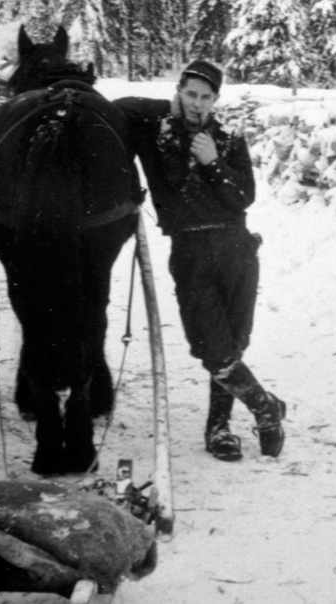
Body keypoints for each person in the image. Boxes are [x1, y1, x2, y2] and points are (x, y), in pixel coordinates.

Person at [113, 60, 285, 460]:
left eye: (206, 97)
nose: (197, 104)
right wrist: (166, 110)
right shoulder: (153, 129)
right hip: (191, 252)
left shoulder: (227, 139)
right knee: (212, 348)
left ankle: (219, 428)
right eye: (190, 94)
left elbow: (243, 198)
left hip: (237, 249)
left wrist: (213, 163)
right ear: (179, 91)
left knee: (233, 344)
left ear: (216, 101)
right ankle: (265, 409)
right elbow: (117, 108)